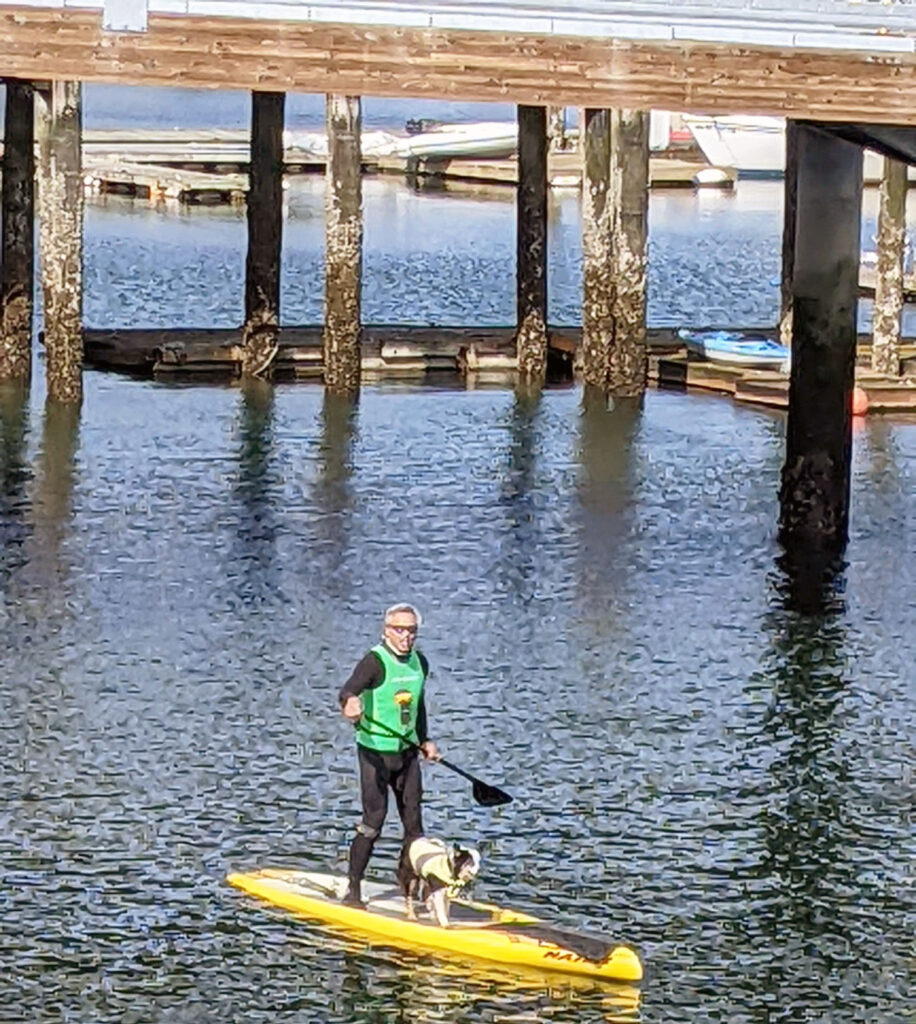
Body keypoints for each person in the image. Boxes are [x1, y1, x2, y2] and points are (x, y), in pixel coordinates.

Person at [338, 602, 439, 907]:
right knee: (374, 822)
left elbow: (418, 706)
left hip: (407, 753)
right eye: (399, 630)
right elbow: (347, 692)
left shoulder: (420, 662)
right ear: (386, 632)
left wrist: (425, 740)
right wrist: (351, 705)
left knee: (415, 828)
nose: (406, 636)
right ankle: (353, 890)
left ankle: (409, 889)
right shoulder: (374, 661)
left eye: (411, 630)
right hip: (375, 754)